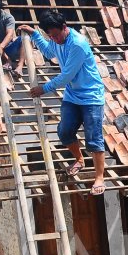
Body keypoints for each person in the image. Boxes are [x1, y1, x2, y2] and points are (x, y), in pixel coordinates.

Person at [19, 11, 107, 195]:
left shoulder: (78, 44)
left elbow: (67, 75)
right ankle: (80, 160)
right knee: (64, 131)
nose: (55, 39)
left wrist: (44, 88)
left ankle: (99, 177)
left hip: (91, 96)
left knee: (94, 139)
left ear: (64, 27)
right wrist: (35, 34)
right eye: (51, 36)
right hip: (73, 95)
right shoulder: (56, 40)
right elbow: (48, 51)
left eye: (56, 35)